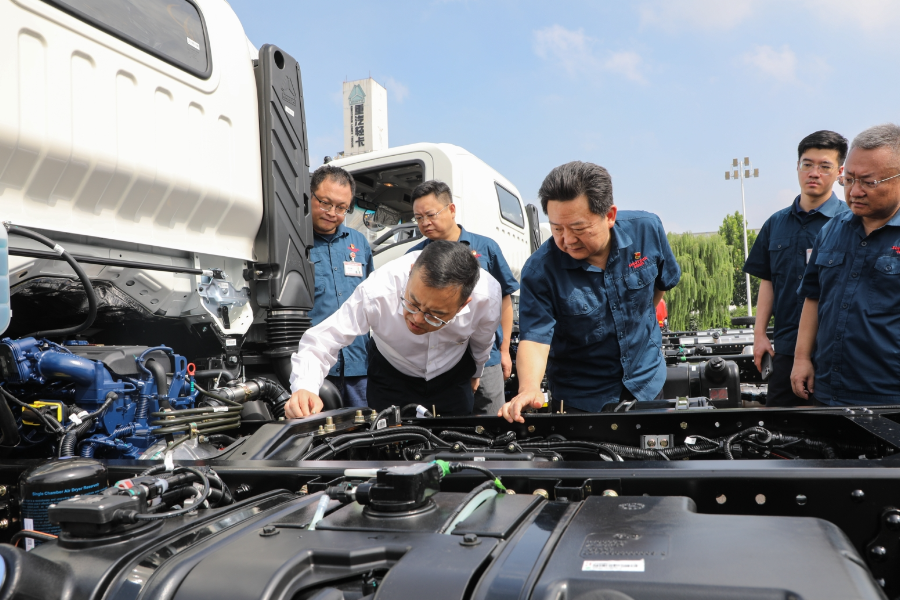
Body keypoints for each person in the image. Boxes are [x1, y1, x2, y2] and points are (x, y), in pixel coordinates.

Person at [500, 161, 681, 423]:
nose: (567, 240)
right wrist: (529, 388)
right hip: (582, 399)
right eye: (557, 229)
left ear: (609, 215)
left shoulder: (647, 230)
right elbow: (536, 339)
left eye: (578, 229)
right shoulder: (540, 271)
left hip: (647, 382)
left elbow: (660, 286)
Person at [286, 241, 501, 418]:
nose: (417, 318)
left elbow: (482, 342)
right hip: (391, 374)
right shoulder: (378, 289)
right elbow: (325, 338)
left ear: (464, 304)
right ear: (410, 272)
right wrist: (305, 387)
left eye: (435, 315)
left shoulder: (487, 298)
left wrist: (476, 373)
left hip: (451, 378)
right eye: (412, 303)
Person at [792, 123, 900, 406]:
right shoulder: (830, 230)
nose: (855, 191)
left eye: (868, 182)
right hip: (828, 390)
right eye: (849, 180)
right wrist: (802, 359)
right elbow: (813, 297)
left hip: (888, 395)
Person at [743, 131, 849, 407]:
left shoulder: (849, 222)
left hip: (835, 350)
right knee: (780, 427)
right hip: (786, 348)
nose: (814, 173)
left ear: (839, 172)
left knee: (831, 428)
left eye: (824, 166)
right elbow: (768, 281)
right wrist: (760, 335)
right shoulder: (775, 224)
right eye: (807, 164)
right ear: (797, 167)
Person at [406, 180, 519, 415]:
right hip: (440, 363)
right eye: (418, 218)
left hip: (486, 358)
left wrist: (504, 350)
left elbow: (504, 301)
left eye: (430, 215)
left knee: (492, 420)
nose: (425, 223)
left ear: (451, 209)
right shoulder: (415, 255)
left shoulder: (485, 247)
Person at [308, 165, 375, 408]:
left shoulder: (359, 243)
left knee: (365, 427)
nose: (332, 213)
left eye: (341, 208)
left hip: (358, 366)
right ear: (310, 196)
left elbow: (372, 299)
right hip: (315, 368)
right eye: (325, 203)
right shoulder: (294, 242)